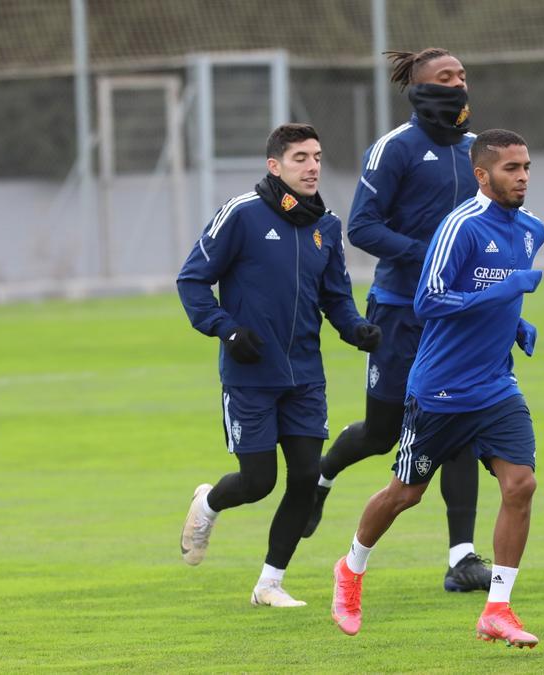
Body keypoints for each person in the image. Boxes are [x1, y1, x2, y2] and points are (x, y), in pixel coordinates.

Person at [330, 129, 544, 648]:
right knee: (406, 494)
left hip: (496, 386)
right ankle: (351, 568)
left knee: (521, 485)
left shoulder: (532, 230)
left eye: (526, 167)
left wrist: (515, 322)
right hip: (441, 390)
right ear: (482, 174)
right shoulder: (460, 226)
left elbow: (488, 296)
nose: (521, 177)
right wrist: (505, 290)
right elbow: (428, 302)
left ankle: (498, 608)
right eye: (510, 168)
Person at [303, 47, 492, 594]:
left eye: (463, 73)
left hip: (456, 315)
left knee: (459, 426)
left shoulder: (471, 150)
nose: (459, 83)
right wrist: (427, 252)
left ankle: (462, 559)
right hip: (399, 309)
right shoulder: (395, 148)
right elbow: (362, 227)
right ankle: (321, 474)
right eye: (446, 76)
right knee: (384, 434)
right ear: (419, 86)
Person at [175, 123, 381, 608]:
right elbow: (191, 280)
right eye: (300, 158)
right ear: (275, 166)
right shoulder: (242, 214)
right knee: (258, 482)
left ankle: (269, 584)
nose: (312, 166)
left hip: (305, 375)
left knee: (306, 478)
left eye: (317, 156)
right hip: (250, 376)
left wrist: (357, 329)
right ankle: (207, 505)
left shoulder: (327, 225)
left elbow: (335, 297)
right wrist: (226, 329)